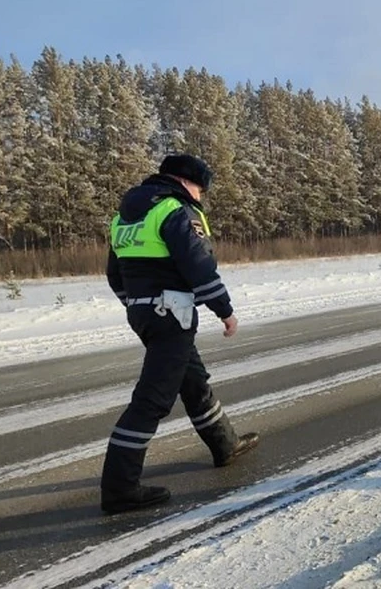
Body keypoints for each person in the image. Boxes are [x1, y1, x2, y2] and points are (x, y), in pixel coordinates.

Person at [101, 154, 259, 514]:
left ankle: (225, 444)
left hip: (143, 312)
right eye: (201, 189)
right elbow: (197, 264)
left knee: (192, 380)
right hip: (171, 312)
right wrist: (225, 310)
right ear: (188, 182)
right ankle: (119, 488)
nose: (201, 197)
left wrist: (135, 303)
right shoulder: (176, 210)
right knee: (152, 401)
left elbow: (115, 274)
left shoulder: (125, 216)